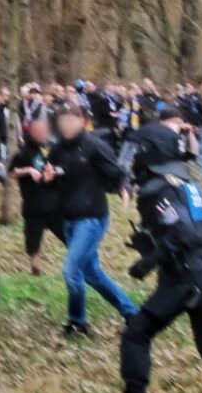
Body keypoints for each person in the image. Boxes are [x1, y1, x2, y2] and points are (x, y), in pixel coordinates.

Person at [91, 125, 202, 393]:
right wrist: (149, 242)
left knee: (136, 334)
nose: (132, 160)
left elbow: (183, 232)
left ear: (150, 154)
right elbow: (189, 230)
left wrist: (150, 260)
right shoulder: (185, 182)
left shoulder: (158, 189)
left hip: (185, 276)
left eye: (137, 153)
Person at [47, 105, 139, 337]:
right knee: (92, 274)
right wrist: (47, 179)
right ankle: (133, 315)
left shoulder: (95, 146)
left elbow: (119, 174)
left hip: (92, 219)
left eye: (71, 120)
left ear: (83, 120)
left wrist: (124, 189)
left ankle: (78, 324)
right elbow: (54, 178)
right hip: (68, 220)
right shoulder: (57, 149)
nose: (67, 125)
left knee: (71, 271)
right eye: (63, 121)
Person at [8, 115, 64, 276]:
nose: (43, 133)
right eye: (39, 130)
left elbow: (63, 168)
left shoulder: (52, 148)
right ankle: (35, 268)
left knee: (69, 235)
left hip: (54, 203)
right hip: (33, 204)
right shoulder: (23, 153)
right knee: (33, 240)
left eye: (45, 130)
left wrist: (54, 173)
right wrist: (28, 170)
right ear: (31, 132)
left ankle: (79, 263)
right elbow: (12, 172)